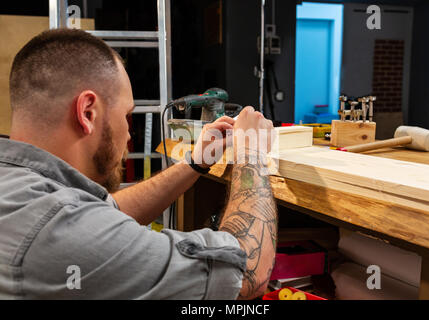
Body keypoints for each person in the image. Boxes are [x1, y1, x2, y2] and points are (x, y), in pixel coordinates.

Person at [0, 28, 277, 300]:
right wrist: (250, 153)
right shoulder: (58, 231)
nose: (129, 133)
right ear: (87, 113)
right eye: (126, 115)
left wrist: (195, 163)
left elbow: (111, 210)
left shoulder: (20, 190)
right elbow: (247, 273)